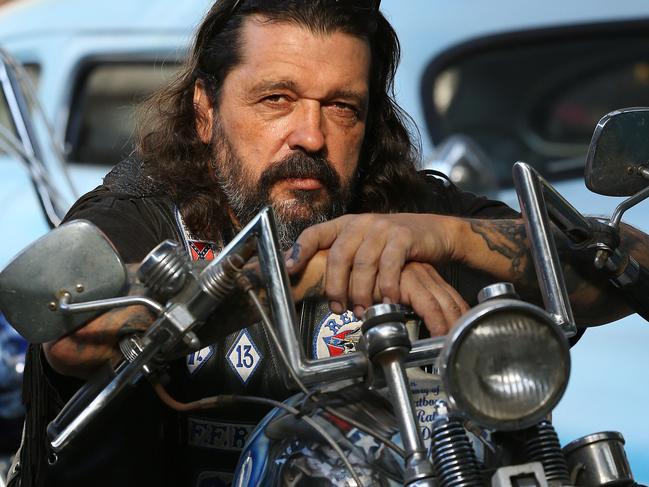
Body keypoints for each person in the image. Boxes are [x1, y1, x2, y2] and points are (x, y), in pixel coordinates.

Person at [10, 1, 649, 486]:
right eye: (276, 99)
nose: (310, 136)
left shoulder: (411, 213)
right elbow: (68, 327)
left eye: (342, 107)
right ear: (205, 111)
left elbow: (634, 271)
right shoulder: (144, 214)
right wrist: (305, 273)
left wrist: (447, 237)